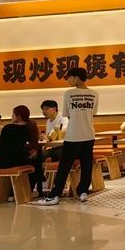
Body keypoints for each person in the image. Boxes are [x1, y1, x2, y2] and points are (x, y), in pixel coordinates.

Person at [33, 67, 98, 205]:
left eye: (69, 77)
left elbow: (67, 115)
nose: (68, 80)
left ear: (77, 78)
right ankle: (83, 192)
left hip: (73, 135)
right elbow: (93, 113)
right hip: (89, 133)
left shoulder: (69, 93)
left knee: (64, 166)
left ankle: (54, 195)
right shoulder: (94, 94)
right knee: (86, 164)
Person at [0, 105, 39, 191]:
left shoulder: (6, 127)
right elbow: (32, 145)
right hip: (13, 161)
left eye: (13, 114)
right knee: (36, 162)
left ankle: (10, 191)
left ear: (18, 117)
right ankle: (29, 190)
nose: (11, 116)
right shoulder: (28, 128)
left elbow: (4, 145)